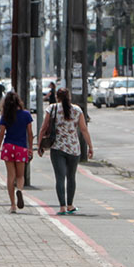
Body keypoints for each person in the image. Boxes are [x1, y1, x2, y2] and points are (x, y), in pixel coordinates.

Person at [38, 87, 93, 215]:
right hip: (74, 149)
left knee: (60, 177)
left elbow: (44, 128)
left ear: (57, 97)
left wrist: (40, 145)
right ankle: (70, 205)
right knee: (71, 177)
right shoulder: (77, 110)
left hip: (57, 148)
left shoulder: (52, 108)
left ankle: (62, 206)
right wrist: (90, 146)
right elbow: (84, 130)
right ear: (69, 97)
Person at [0, 91, 33, 213]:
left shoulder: (5, 116)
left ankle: (12, 205)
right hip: (21, 148)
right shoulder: (26, 115)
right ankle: (20, 190)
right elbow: (30, 134)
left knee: (10, 176)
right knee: (20, 176)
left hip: (8, 147)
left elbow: (1, 134)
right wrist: (30, 148)